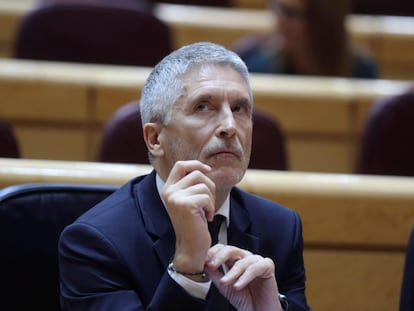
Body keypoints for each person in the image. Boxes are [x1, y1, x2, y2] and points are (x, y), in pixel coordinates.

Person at [58, 41, 311, 311]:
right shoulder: (95, 243)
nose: (229, 126)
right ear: (155, 138)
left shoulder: (280, 228)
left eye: (239, 109)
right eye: (203, 107)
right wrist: (187, 270)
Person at [234, 0, 379, 78]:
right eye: (278, 8)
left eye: (291, 13)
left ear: (324, 20)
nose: (280, 20)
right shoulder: (253, 64)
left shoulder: (361, 70)